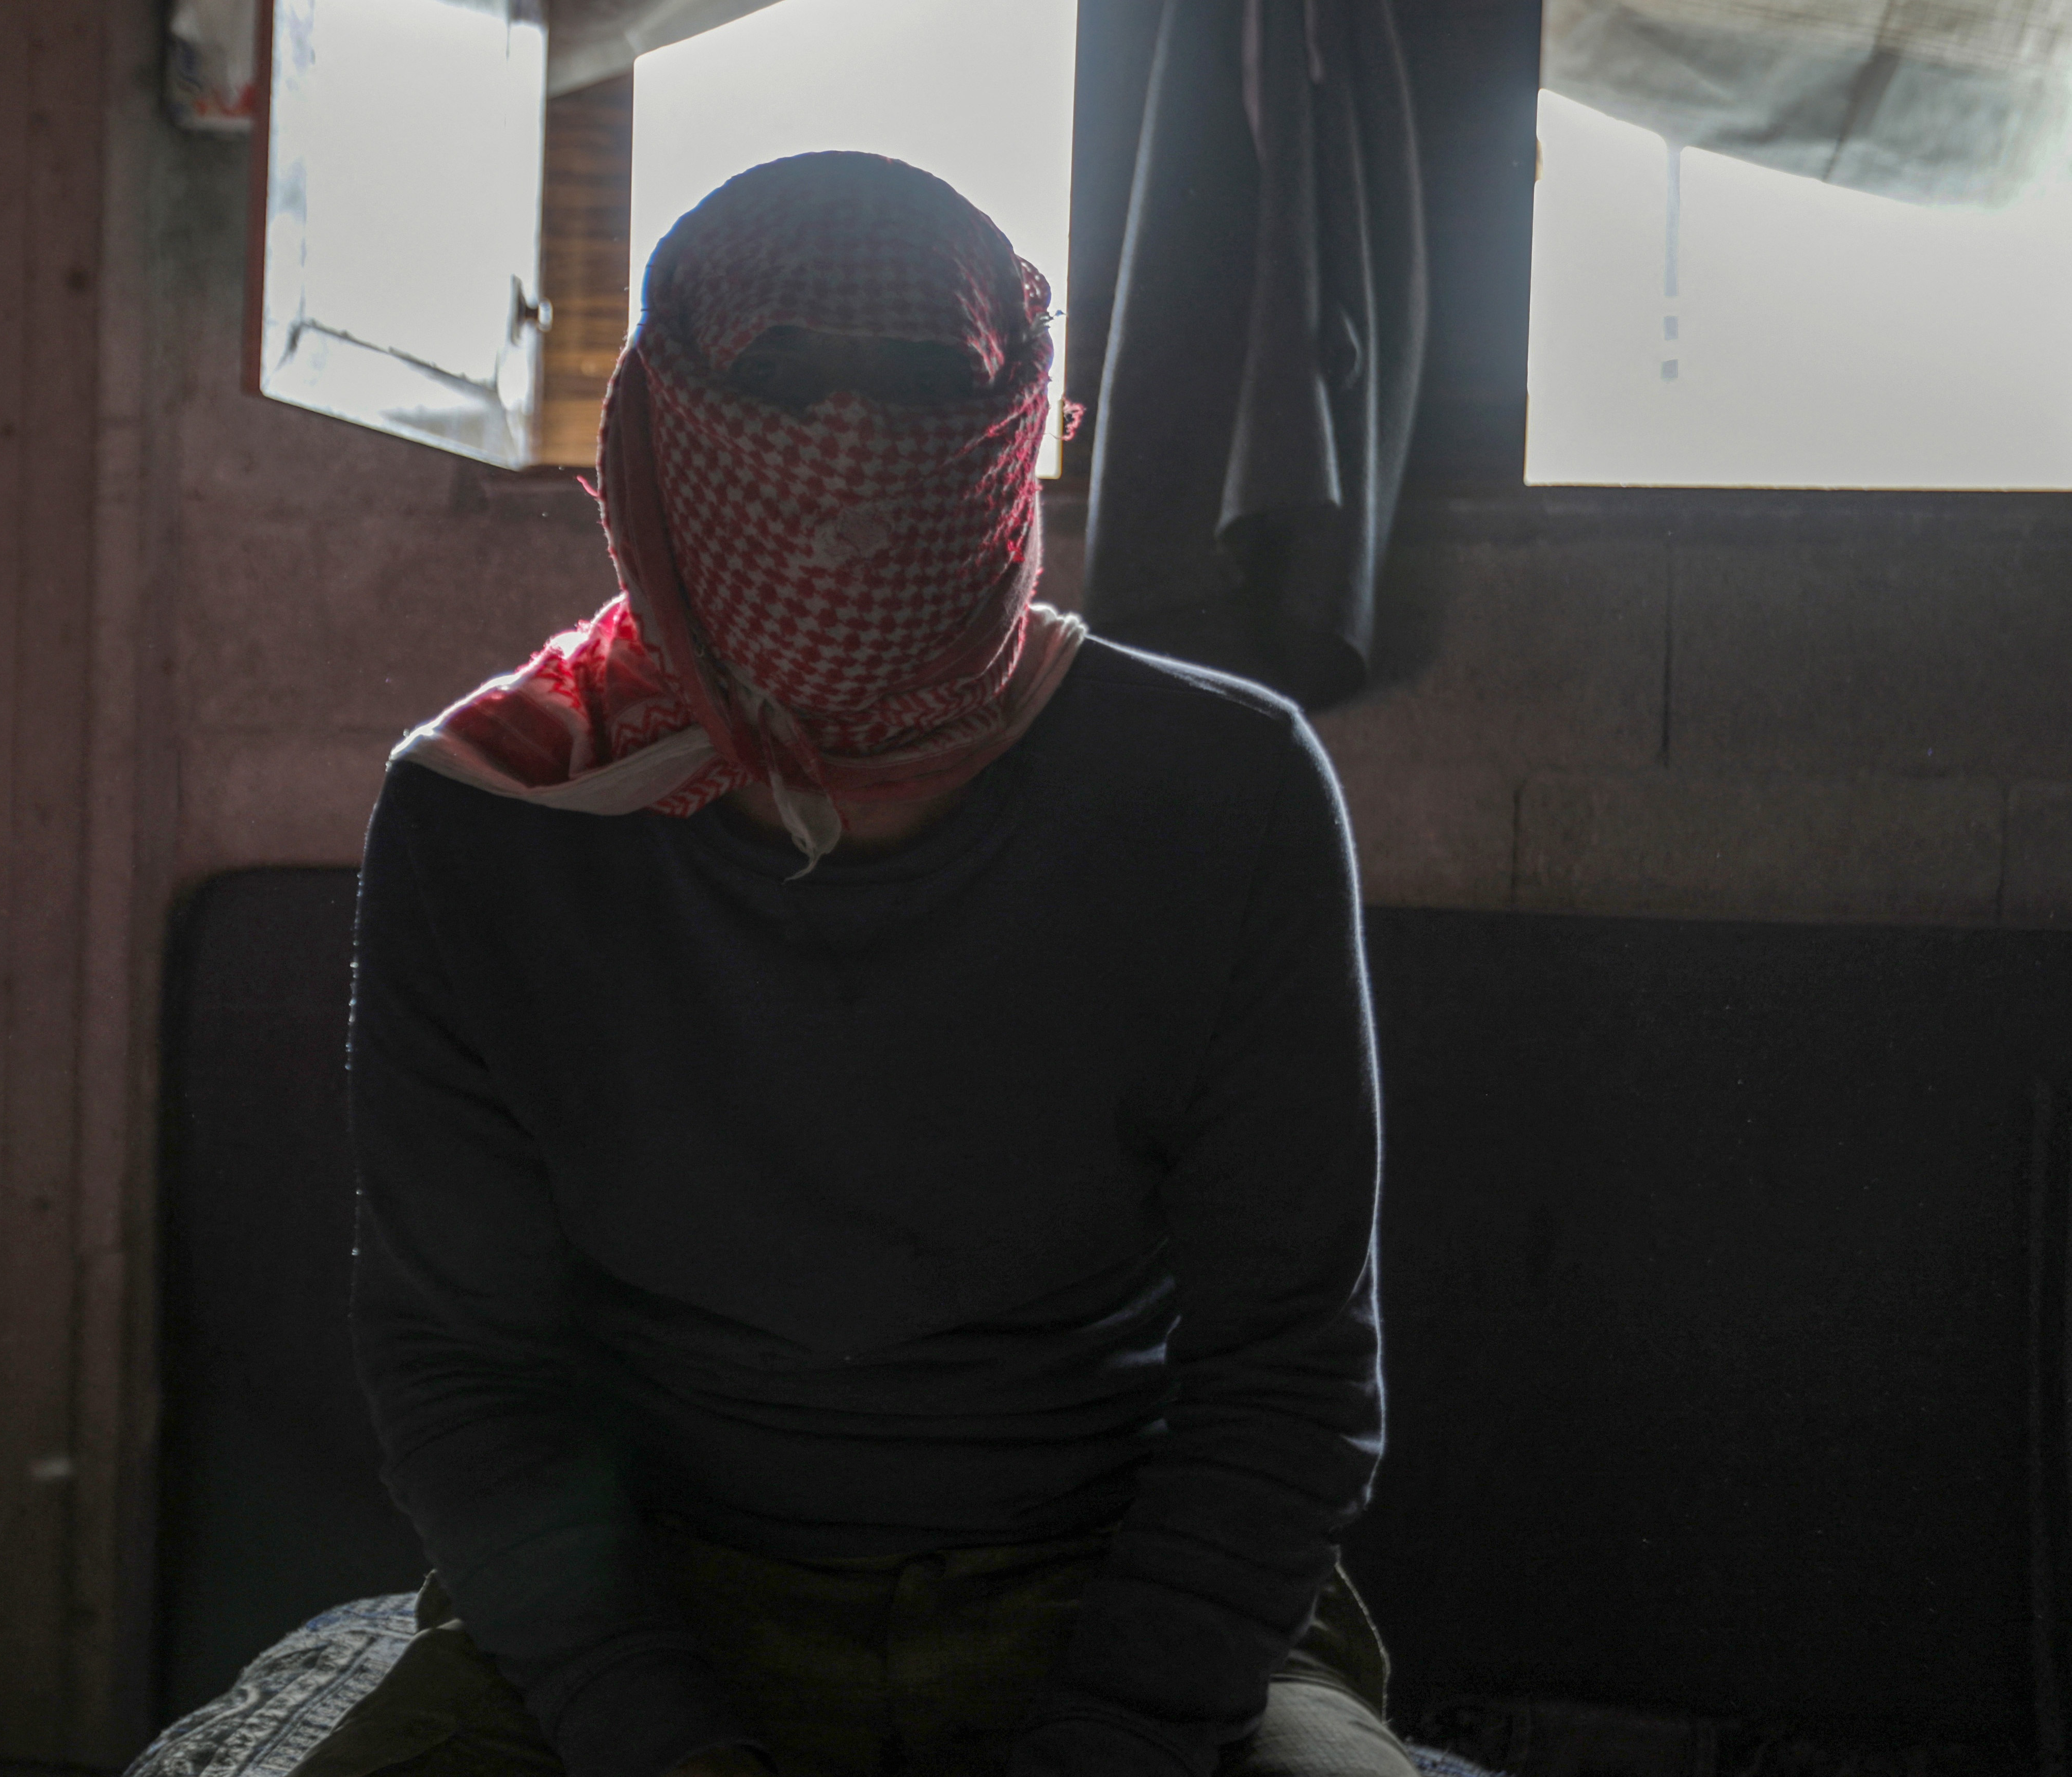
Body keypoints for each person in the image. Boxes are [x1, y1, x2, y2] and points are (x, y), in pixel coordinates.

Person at [330, 151, 1403, 1777]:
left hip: (1111, 1591)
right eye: (775, 381)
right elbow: (467, 1373)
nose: (849, 443)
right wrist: (661, 1740)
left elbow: (1289, 1375)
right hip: (665, 1598)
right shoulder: (500, 814)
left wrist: (1108, 1742)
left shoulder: (1224, 793)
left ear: (1019, 425)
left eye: (917, 384)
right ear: (661, 426)